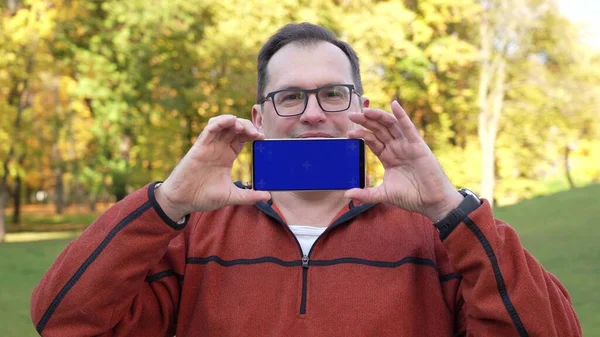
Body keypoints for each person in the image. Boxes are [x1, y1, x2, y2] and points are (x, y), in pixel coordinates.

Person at [31, 23, 581, 337]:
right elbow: (63, 321)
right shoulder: (193, 236)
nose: (313, 113)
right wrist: (168, 201)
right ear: (261, 117)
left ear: (360, 108)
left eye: (332, 94)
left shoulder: (436, 238)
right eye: (290, 96)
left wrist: (447, 208)